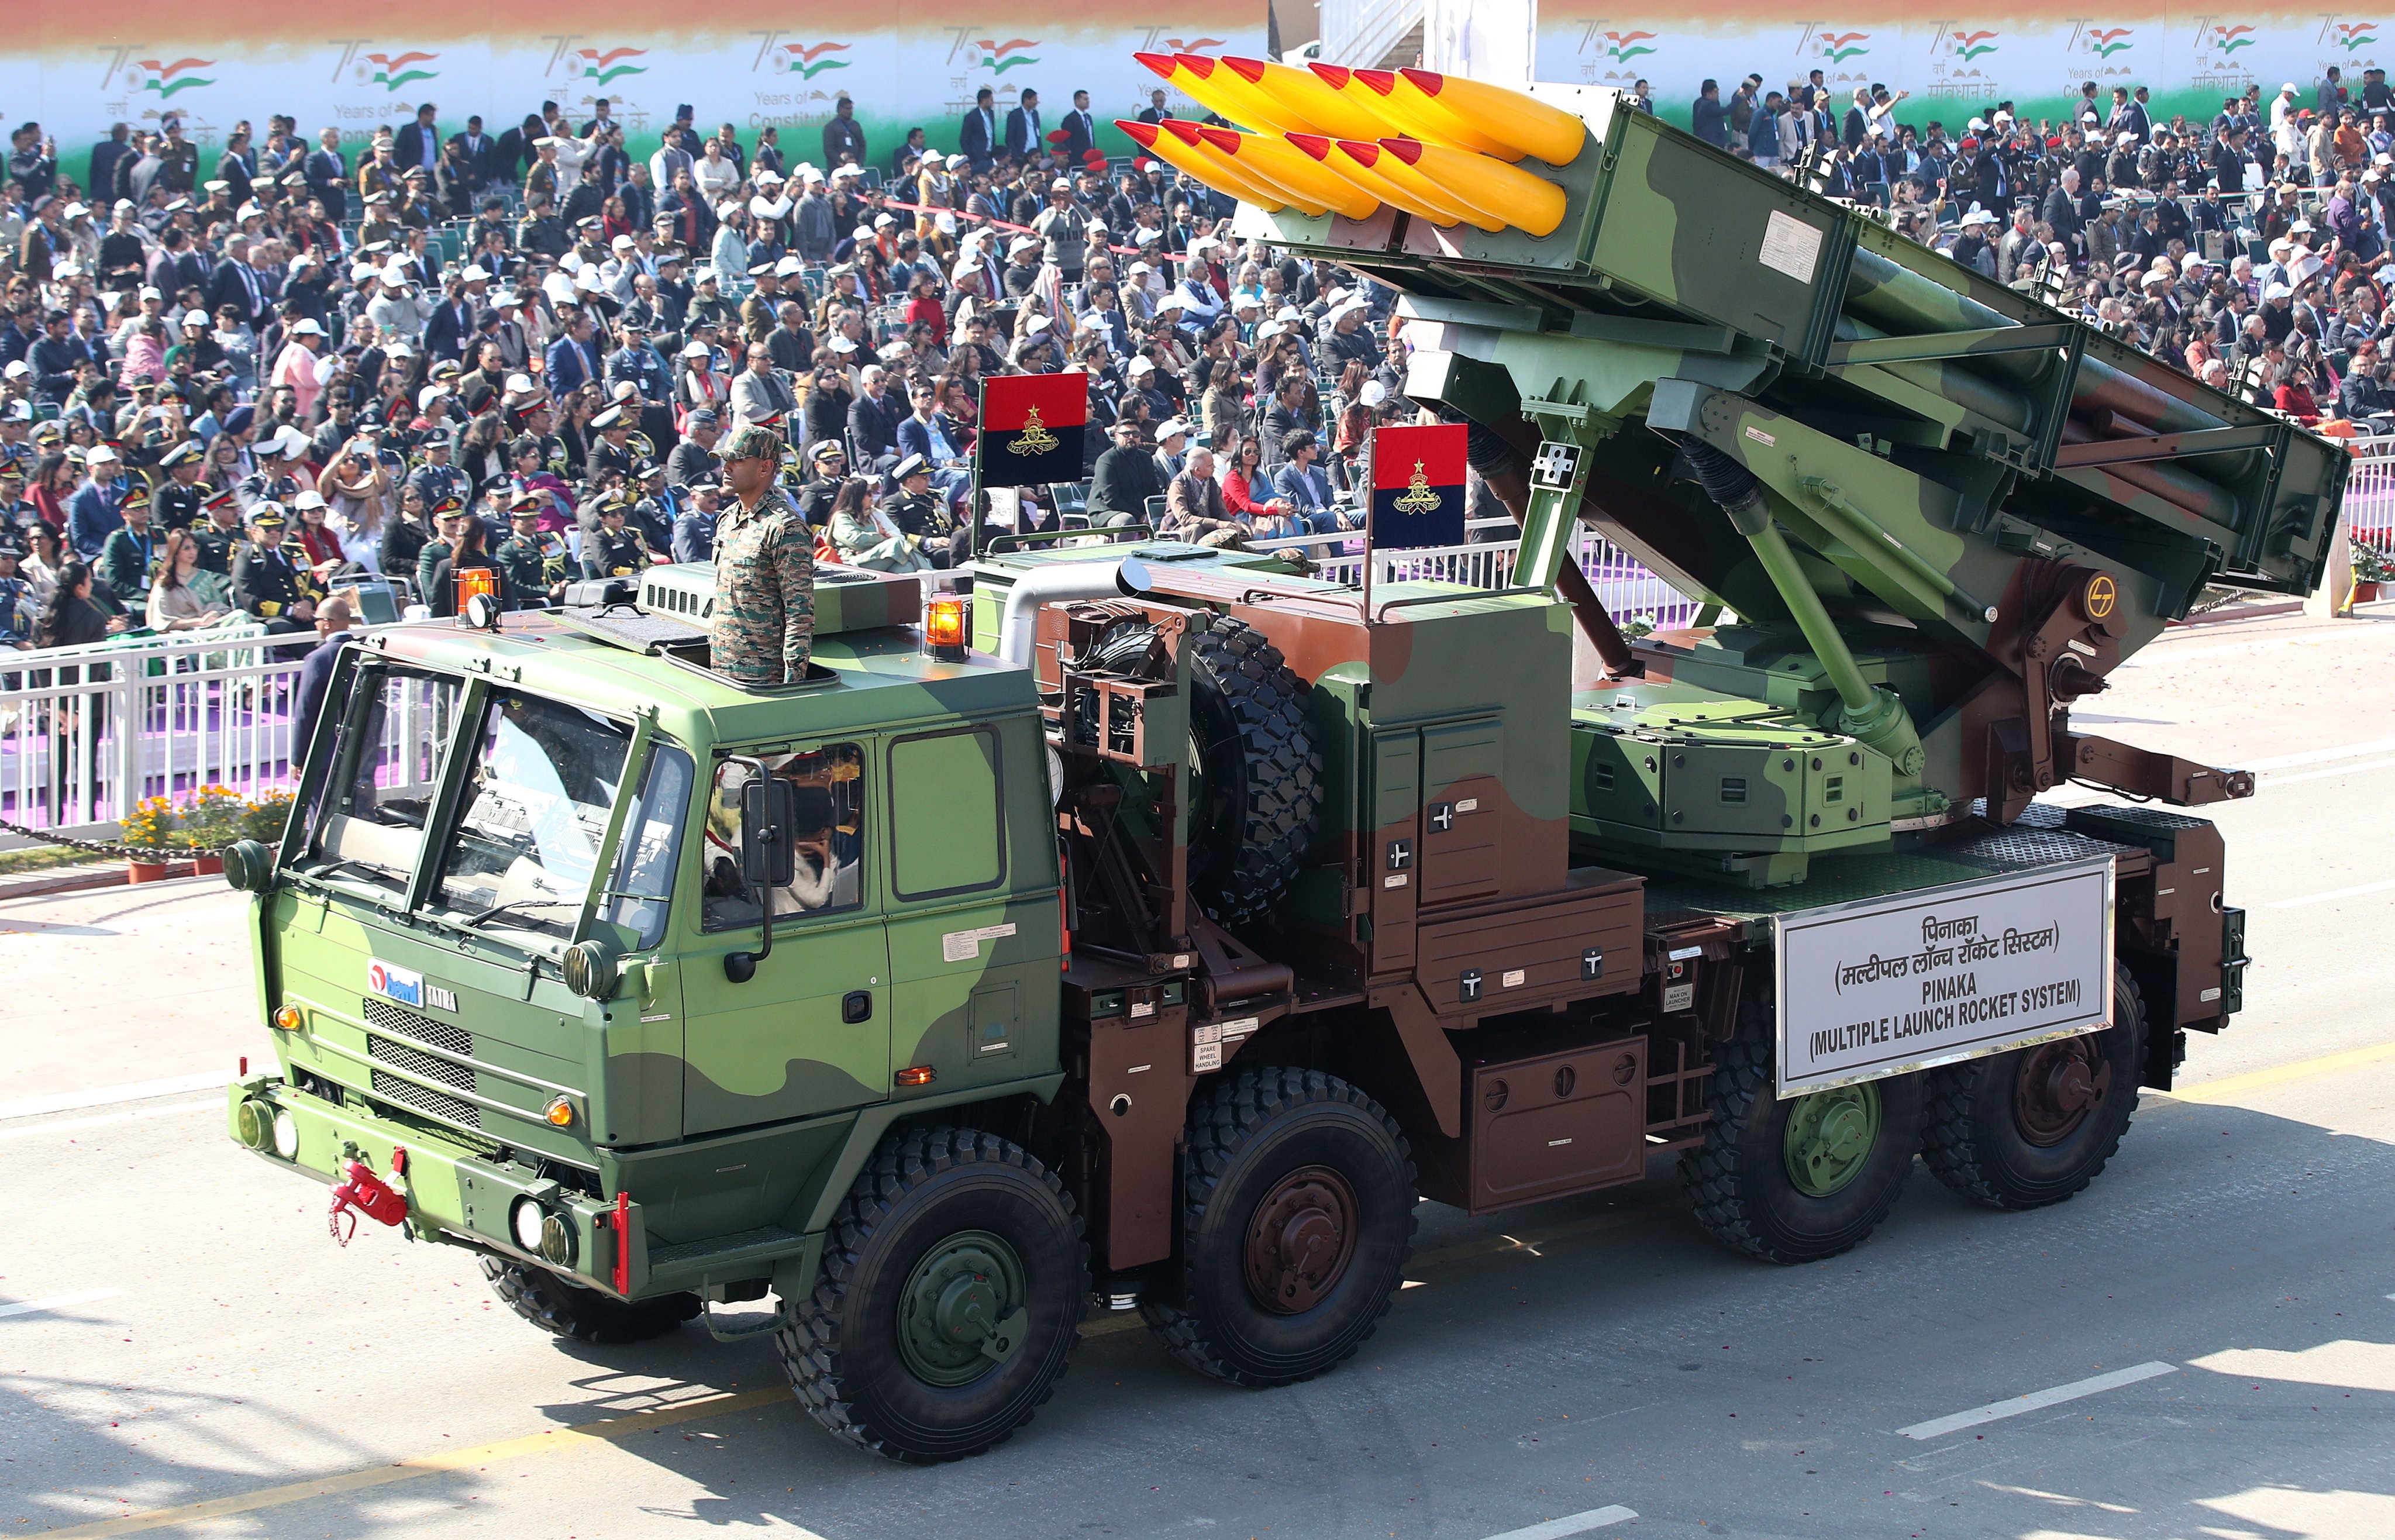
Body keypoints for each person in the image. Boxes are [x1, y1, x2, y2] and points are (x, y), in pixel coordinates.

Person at [709, 423, 814, 683]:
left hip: (763, 675)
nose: (726, 468)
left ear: (765, 468)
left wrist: (794, 678)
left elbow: (799, 611)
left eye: (737, 460)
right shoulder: (727, 519)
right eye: (726, 460)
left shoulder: (784, 527)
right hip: (722, 665)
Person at [288, 595, 359, 755]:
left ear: (327, 623)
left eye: (317, 619)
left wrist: (298, 756)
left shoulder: (317, 659)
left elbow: (306, 711)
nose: (315, 623)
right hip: (360, 750)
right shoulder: (364, 651)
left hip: (326, 755)